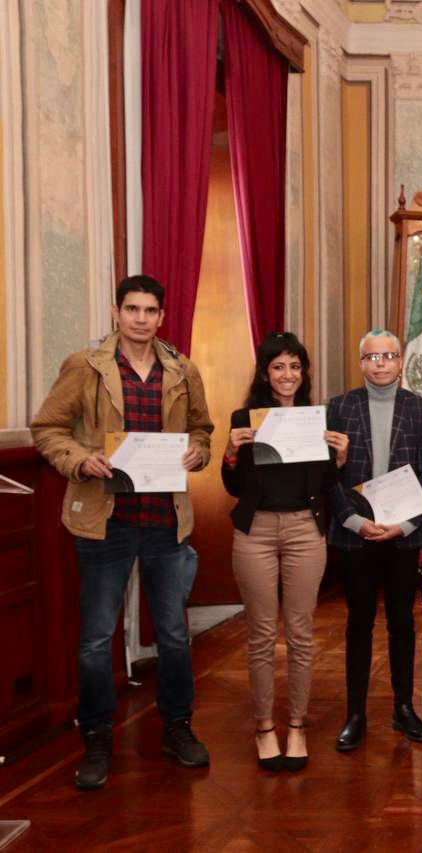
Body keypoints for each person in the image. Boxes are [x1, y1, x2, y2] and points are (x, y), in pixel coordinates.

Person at [31, 275, 214, 790]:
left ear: (161, 317)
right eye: (131, 309)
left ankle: (177, 726)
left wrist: (198, 452)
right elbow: (47, 428)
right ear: (116, 313)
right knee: (95, 639)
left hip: (165, 520)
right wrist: (79, 460)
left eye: (150, 310)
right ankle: (96, 738)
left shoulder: (182, 370)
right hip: (103, 520)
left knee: (174, 635)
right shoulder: (85, 366)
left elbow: (202, 429)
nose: (140, 318)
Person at [222, 333, 349, 771]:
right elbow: (233, 487)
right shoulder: (245, 419)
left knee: (300, 633)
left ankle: (296, 725)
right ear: (265, 374)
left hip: (304, 531)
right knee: (260, 635)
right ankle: (264, 727)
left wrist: (339, 460)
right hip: (255, 532)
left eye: (295, 366)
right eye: (278, 367)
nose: (287, 375)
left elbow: (326, 485)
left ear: (304, 372)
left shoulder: (318, 418)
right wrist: (230, 453)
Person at [327, 329, 422, 751]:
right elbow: (328, 475)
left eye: (389, 355)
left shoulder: (421, 410)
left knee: (402, 623)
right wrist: (353, 521)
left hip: (402, 536)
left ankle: (403, 707)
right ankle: (355, 713)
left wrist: (406, 525)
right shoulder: (339, 408)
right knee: (358, 624)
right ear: (361, 363)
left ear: (400, 361)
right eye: (372, 357)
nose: (381, 363)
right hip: (356, 535)